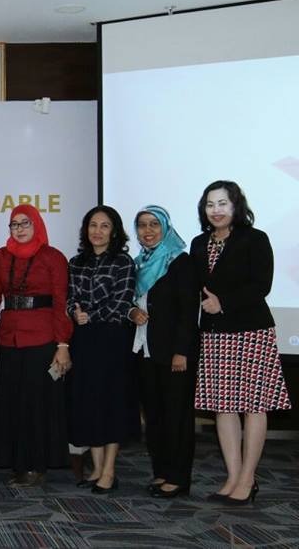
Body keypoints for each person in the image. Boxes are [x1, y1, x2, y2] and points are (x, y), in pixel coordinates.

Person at [192, 180, 291, 504]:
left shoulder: (255, 239)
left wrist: (224, 303)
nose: (216, 210)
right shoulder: (199, 243)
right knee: (223, 407)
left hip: (251, 331)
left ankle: (248, 479)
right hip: (215, 334)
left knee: (254, 405)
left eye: (222, 203)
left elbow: (262, 285)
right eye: (210, 204)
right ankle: (233, 477)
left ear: (236, 205)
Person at [0, 204, 72, 487]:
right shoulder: (0, 256)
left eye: (25, 223)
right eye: (14, 224)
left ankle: (36, 465)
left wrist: (63, 344)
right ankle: (16, 462)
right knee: (12, 402)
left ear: (37, 225)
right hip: (10, 337)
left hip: (42, 338)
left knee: (36, 404)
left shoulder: (53, 257)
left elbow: (60, 303)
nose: (19, 229)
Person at [127, 205, 198, 498]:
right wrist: (132, 312)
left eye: (154, 224)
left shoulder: (180, 261)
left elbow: (188, 311)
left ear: (166, 228)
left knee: (176, 417)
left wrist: (182, 351)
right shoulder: (138, 263)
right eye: (142, 225)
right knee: (154, 415)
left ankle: (178, 478)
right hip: (144, 350)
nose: (148, 231)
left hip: (173, 354)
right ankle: (162, 471)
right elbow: (132, 302)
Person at [66, 205, 137, 494]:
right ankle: (96, 468)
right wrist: (74, 313)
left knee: (111, 404)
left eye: (104, 226)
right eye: (93, 225)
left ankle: (109, 470)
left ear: (114, 231)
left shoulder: (123, 262)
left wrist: (90, 315)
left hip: (112, 340)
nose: (97, 231)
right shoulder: (76, 262)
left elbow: (122, 302)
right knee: (89, 403)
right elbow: (69, 297)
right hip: (83, 340)